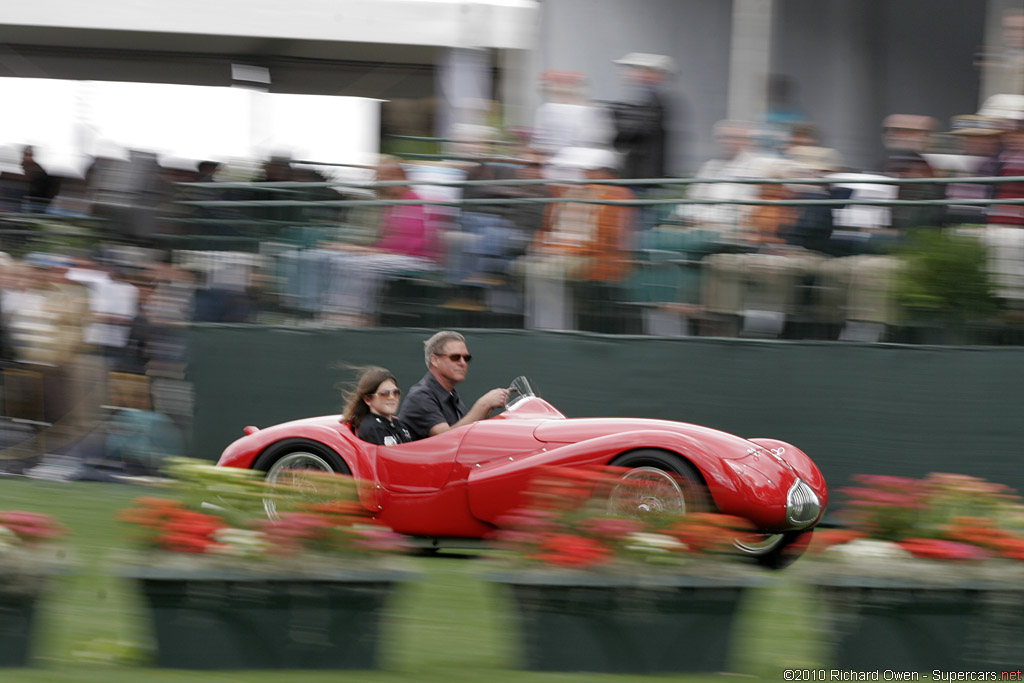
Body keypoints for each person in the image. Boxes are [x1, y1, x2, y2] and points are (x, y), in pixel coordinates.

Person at [398, 330, 508, 440]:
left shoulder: (450, 395)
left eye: (466, 358)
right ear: (435, 360)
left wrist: (487, 409)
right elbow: (447, 438)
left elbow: (466, 434)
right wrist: (483, 404)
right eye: (455, 357)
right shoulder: (420, 396)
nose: (463, 363)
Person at [342, 367, 412, 446]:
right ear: (368, 399)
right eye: (384, 394)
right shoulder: (371, 428)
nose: (392, 397)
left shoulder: (400, 425)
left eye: (395, 393)